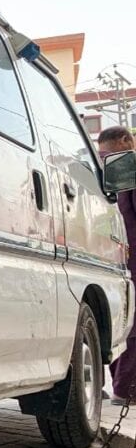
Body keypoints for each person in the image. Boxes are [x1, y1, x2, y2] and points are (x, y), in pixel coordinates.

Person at [97, 125, 136, 404]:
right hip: (124, 260)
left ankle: (124, 388)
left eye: (108, 153)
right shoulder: (121, 173)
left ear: (126, 140)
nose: (105, 160)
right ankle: (124, 388)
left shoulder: (128, 170)